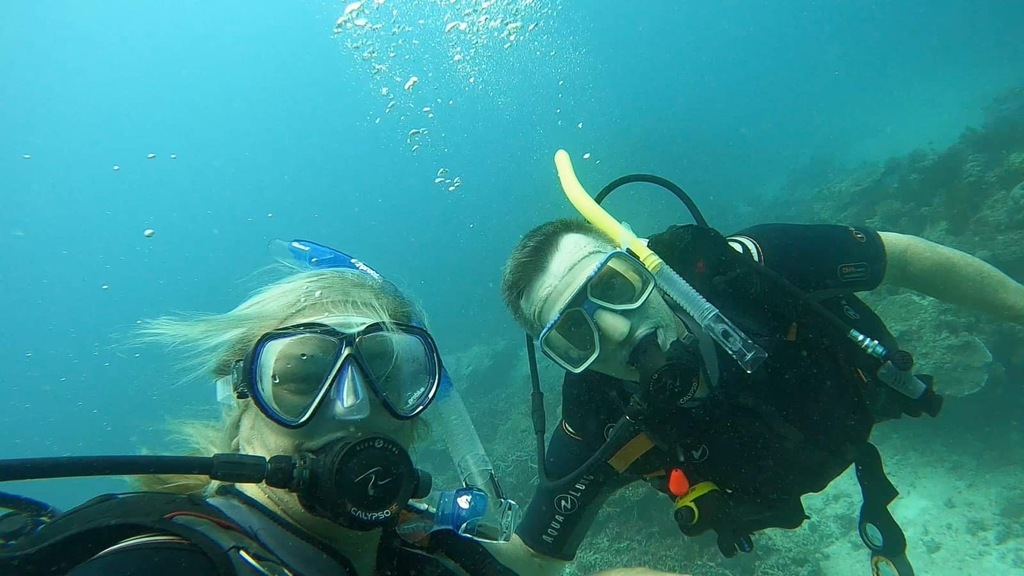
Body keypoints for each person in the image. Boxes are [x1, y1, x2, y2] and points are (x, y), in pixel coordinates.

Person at [0, 238, 680, 576]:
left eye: (391, 371)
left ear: (422, 408)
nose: (354, 408)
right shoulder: (171, 559)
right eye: (302, 375)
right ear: (239, 405)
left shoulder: (419, 555)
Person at [491, 151, 1024, 576]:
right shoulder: (596, 413)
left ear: (641, 261)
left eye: (612, 286)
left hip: (864, 399)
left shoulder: (740, 273)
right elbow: (536, 556)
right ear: (561, 357)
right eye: (570, 332)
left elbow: (901, 258)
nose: (613, 329)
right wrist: (432, 535)